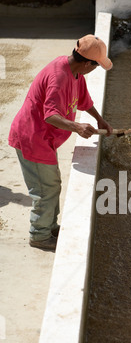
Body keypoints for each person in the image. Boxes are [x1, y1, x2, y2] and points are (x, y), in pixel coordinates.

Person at [8, 34, 113, 251]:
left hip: (44, 139)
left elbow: (83, 99)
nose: (94, 70)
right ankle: (39, 234)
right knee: (46, 189)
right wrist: (77, 127)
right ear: (87, 62)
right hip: (33, 137)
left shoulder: (75, 73)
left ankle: (49, 225)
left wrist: (99, 118)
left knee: (52, 184)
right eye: (95, 66)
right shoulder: (59, 77)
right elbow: (50, 116)